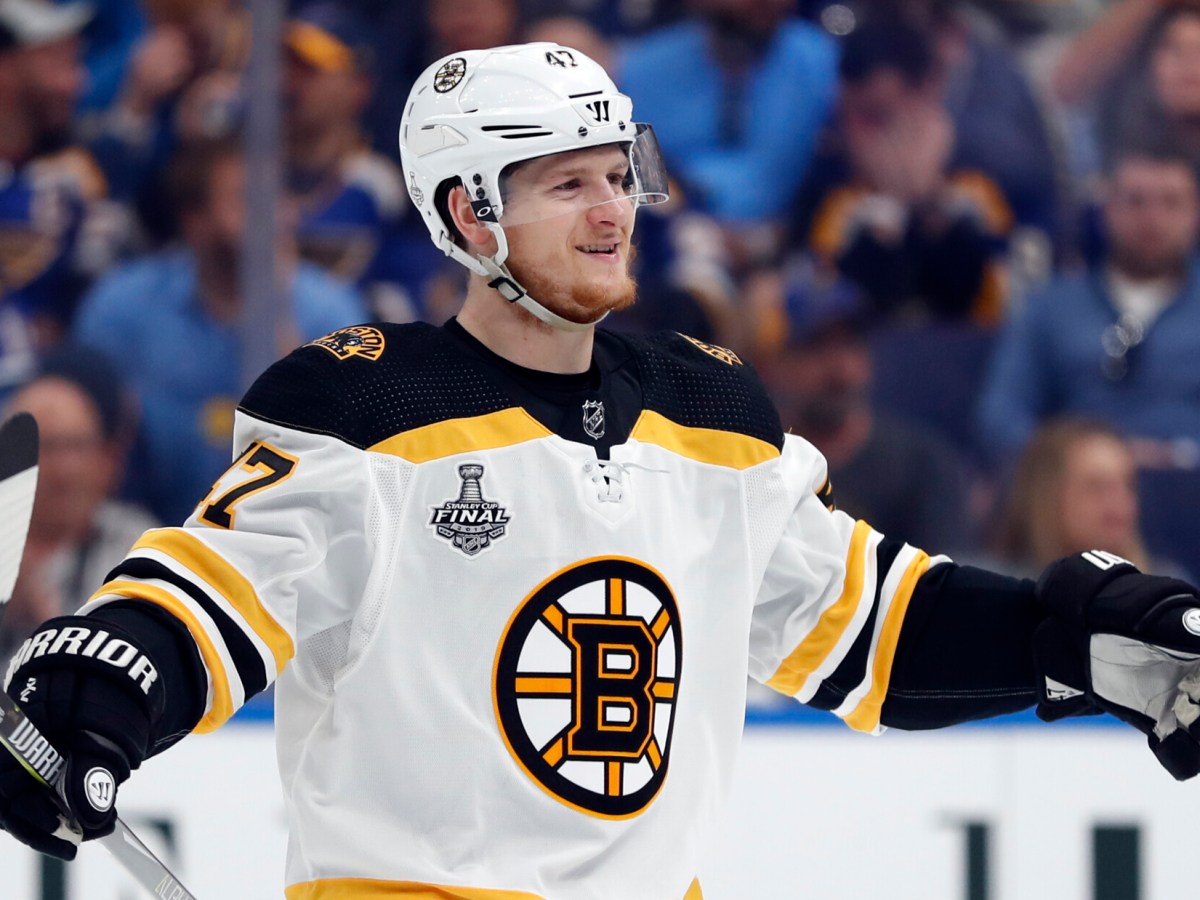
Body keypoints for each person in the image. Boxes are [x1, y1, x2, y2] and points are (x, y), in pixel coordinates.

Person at [2, 43, 1200, 900]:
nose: (612, 210)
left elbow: (874, 629)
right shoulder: (367, 407)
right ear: (472, 214)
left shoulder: (710, 413)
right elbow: (219, 588)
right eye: (567, 183)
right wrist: (104, 679)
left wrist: (1072, 640)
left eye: (619, 174)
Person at [71, 135, 366, 525]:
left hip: (285, 533)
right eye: (246, 200)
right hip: (145, 533)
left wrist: (276, 309)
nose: (270, 216)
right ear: (194, 220)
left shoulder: (330, 311)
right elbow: (84, 441)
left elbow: (346, 456)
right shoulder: (122, 308)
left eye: (277, 197)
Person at [978, 141, 1200, 461]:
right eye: (1136, 201)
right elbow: (1000, 418)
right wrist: (1077, 460)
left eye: (1172, 203)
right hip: (1078, 482)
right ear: (1107, 211)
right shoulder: (1050, 308)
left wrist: (1181, 454)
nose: (1153, 218)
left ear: (1194, 214)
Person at [0, 345, 158, 661]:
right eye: (46, 447)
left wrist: (41, 621)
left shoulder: (138, 547)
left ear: (107, 458)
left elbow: (140, 666)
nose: (64, 469)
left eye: (76, 446)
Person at [990, 417, 1181, 579]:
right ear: (1047, 497)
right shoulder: (995, 591)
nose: (1119, 502)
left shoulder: (1168, 590)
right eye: (1096, 486)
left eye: (1128, 485)